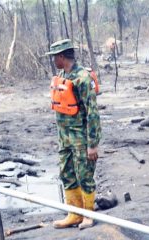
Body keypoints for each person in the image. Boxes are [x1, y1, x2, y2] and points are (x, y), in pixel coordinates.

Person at [46, 39, 101, 229]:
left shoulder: (82, 78)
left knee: (84, 174)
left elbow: (93, 112)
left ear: (62, 56)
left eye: (55, 57)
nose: (54, 61)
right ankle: (74, 214)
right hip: (65, 138)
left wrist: (92, 144)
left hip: (80, 137)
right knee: (67, 173)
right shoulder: (62, 76)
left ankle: (88, 215)